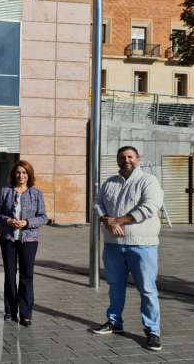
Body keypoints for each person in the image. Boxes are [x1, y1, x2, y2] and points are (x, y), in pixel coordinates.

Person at [92, 146, 164, 351]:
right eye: (122, 157)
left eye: (130, 157)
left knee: (148, 290)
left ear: (139, 159)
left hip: (142, 244)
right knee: (115, 287)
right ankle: (115, 323)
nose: (126, 160)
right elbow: (97, 203)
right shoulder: (109, 183)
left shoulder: (148, 181)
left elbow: (150, 206)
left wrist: (119, 221)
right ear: (117, 161)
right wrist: (106, 220)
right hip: (113, 245)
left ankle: (153, 331)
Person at [0, 160, 47, 327]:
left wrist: (27, 223)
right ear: (13, 174)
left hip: (29, 239)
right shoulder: (5, 192)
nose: (21, 175)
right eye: (18, 172)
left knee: (27, 275)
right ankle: (10, 310)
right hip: (7, 237)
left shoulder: (36, 193)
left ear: (29, 175)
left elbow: (43, 217)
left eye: (24, 172)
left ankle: (26, 314)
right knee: (10, 275)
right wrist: (8, 220)